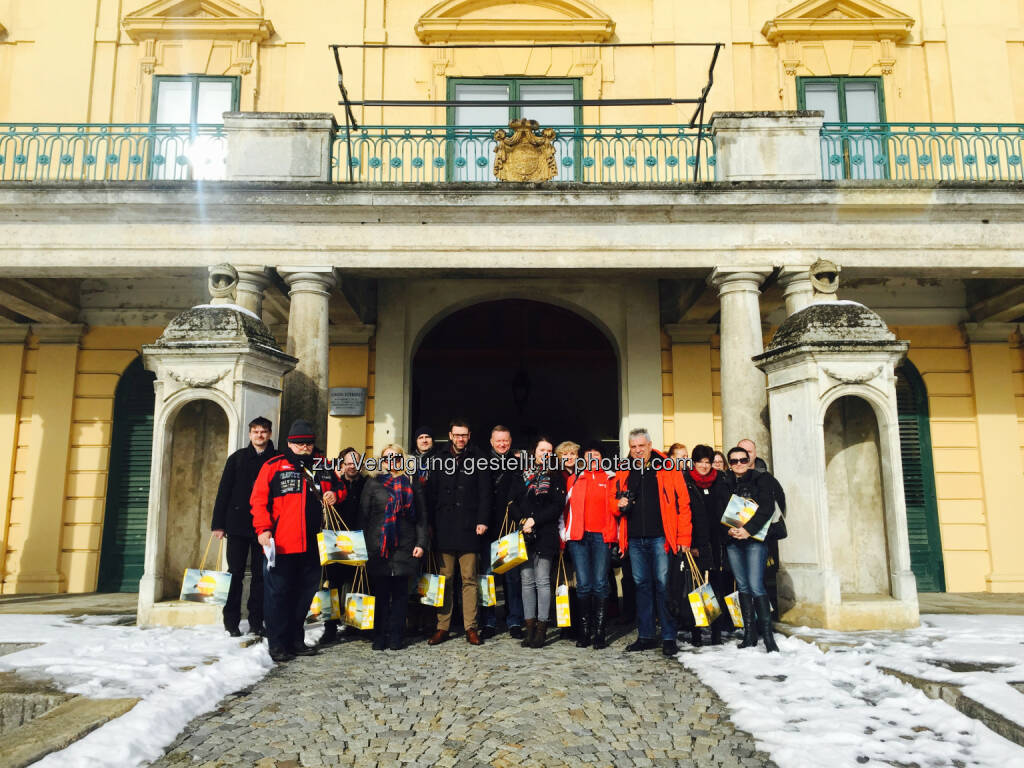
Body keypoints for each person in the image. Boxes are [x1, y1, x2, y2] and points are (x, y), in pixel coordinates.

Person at [251, 419, 339, 663]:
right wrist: (263, 530)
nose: (304, 447)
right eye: (299, 443)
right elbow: (258, 501)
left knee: (304, 595)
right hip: (282, 544)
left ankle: (296, 640)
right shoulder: (273, 466)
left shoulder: (322, 466)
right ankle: (278, 645)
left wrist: (334, 494)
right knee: (278, 595)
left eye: (309, 443)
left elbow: (340, 487)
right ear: (289, 443)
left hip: (313, 544)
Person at [614, 428, 693, 657]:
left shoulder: (667, 467)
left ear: (650, 445)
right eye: (633, 447)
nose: (638, 450)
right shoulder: (624, 469)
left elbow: (683, 504)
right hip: (635, 539)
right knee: (641, 586)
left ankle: (669, 636)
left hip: (661, 538)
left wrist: (684, 538)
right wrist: (617, 505)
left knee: (662, 586)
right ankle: (646, 635)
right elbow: (613, 501)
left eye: (642, 446)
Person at [426, 419, 491, 646]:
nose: (460, 439)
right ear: (450, 435)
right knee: (445, 579)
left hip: (470, 527)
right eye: (457, 435)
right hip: (444, 527)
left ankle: (471, 627)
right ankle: (442, 627)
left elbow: (486, 494)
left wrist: (483, 520)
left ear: (469, 435)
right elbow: (430, 495)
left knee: (469, 580)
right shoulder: (438, 458)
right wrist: (429, 525)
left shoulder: (479, 458)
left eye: (464, 435)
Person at [211, 416, 277, 637]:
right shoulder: (237, 459)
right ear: (250, 434)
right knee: (235, 572)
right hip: (237, 525)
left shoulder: (276, 460)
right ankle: (231, 620)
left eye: (264, 431)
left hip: (265, 527)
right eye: (256, 431)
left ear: (269, 434)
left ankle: (257, 620)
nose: (260, 435)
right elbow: (223, 492)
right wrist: (218, 525)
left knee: (261, 575)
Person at [361, 444, 427, 651]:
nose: (391, 461)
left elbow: (422, 518)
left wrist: (420, 543)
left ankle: (396, 636)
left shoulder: (412, 483)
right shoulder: (373, 484)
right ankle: (379, 635)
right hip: (378, 545)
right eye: (386, 457)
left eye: (396, 457)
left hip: (405, 545)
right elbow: (363, 517)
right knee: (380, 593)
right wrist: (361, 546)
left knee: (400, 595)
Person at [511, 436, 566, 648]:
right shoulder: (522, 474)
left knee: (542, 581)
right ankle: (530, 629)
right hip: (525, 532)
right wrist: (523, 520)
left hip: (545, 533)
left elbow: (557, 505)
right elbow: (512, 501)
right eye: (542, 449)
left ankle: (542, 629)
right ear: (534, 451)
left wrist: (535, 519)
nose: (545, 453)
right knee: (527, 582)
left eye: (549, 450)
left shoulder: (556, 476)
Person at [723, 445, 779, 653]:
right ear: (730, 464)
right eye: (734, 461)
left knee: (756, 585)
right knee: (743, 586)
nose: (739, 464)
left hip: (755, 539)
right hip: (733, 541)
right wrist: (729, 531)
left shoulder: (762, 479)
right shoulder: (725, 481)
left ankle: (768, 637)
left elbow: (767, 508)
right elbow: (720, 509)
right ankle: (749, 634)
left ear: (749, 460)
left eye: (742, 460)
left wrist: (748, 530)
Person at [563, 441, 617, 649]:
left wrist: (617, 537)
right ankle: (584, 632)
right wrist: (564, 536)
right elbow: (566, 511)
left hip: (602, 537)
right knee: (584, 584)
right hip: (579, 538)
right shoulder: (574, 479)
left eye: (596, 456)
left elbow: (617, 511)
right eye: (588, 456)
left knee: (601, 583)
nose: (592, 460)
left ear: (602, 458)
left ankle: (600, 632)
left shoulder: (611, 479)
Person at [686, 444, 733, 645]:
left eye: (707, 462)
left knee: (716, 587)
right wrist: (690, 542)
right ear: (694, 463)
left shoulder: (720, 481)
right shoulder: (687, 482)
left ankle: (715, 632)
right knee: (697, 587)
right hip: (697, 542)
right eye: (700, 462)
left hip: (717, 542)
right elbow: (685, 514)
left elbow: (729, 508)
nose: (704, 466)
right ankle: (697, 632)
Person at [320, 446, 367, 646]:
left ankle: (354, 623)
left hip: (359, 539)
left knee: (357, 582)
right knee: (332, 584)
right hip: (335, 539)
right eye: (347, 463)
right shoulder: (334, 483)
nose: (351, 467)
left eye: (355, 462)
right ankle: (329, 628)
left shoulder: (367, 484)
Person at [487, 425, 526, 639]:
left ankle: (514, 621)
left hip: (510, 526)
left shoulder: (519, 465)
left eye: (505, 441)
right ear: (491, 442)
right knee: (488, 577)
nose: (502, 444)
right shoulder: (482, 463)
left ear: (510, 442)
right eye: (498, 441)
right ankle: (489, 621)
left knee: (512, 578)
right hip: (487, 526)